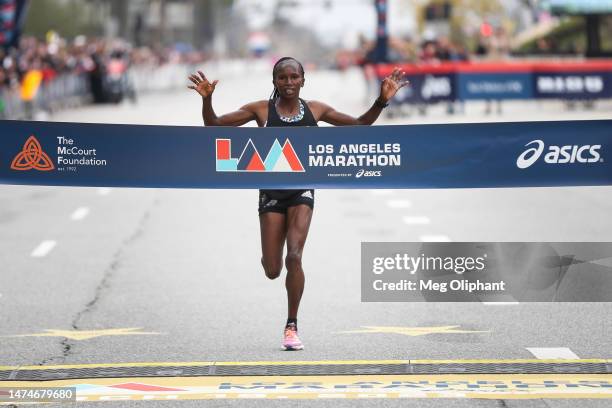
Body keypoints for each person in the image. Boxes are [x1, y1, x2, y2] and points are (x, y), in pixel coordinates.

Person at [188, 57, 408, 350]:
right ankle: (271, 259)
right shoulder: (260, 110)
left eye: (294, 77)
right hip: (271, 192)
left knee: (295, 256)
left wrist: (381, 101)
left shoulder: (315, 110)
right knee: (273, 269)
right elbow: (214, 126)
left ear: (303, 80)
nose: (289, 83)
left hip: (302, 191)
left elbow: (358, 125)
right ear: (274, 82)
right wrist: (208, 100)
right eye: (283, 78)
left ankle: (291, 326)